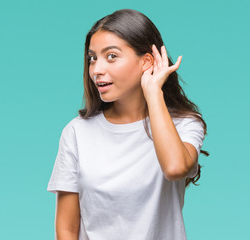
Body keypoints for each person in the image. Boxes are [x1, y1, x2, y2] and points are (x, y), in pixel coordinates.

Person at [46, 9, 209, 240]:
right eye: (92, 58)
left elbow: (175, 168)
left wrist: (153, 92)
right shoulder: (77, 132)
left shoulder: (184, 124)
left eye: (111, 56)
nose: (97, 69)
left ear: (147, 61)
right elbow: (67, 229)